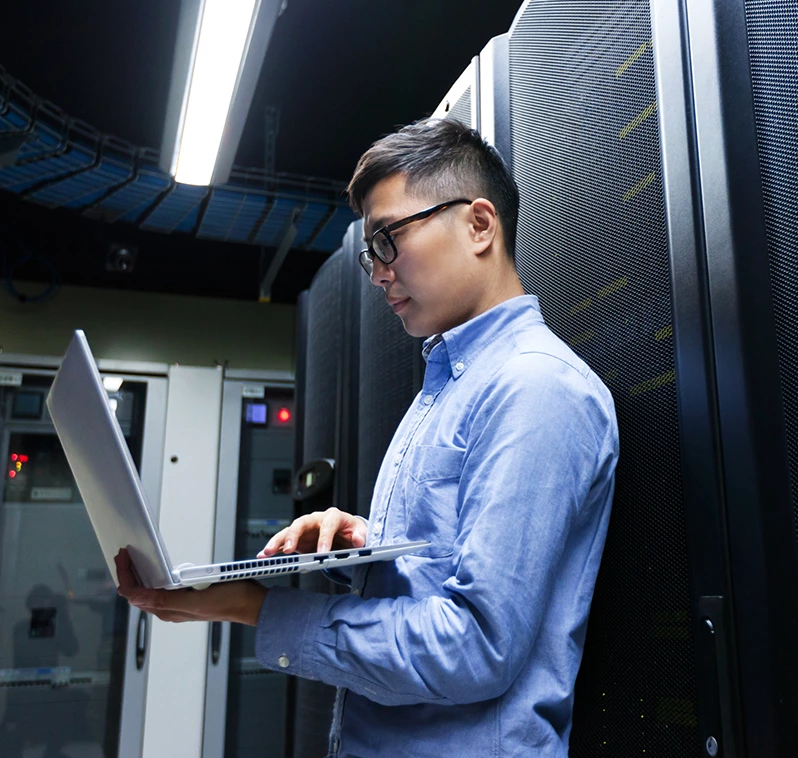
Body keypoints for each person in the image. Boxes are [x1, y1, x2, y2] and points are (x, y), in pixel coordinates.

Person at [116, 118, 619, 757]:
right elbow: (446, 582)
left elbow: (475, 646)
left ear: (479, 225)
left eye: (388, 240)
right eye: (369, 250)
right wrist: (369, 555)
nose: (377, 272)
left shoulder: (537, 390)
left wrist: (255, 607)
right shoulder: (450, 383)